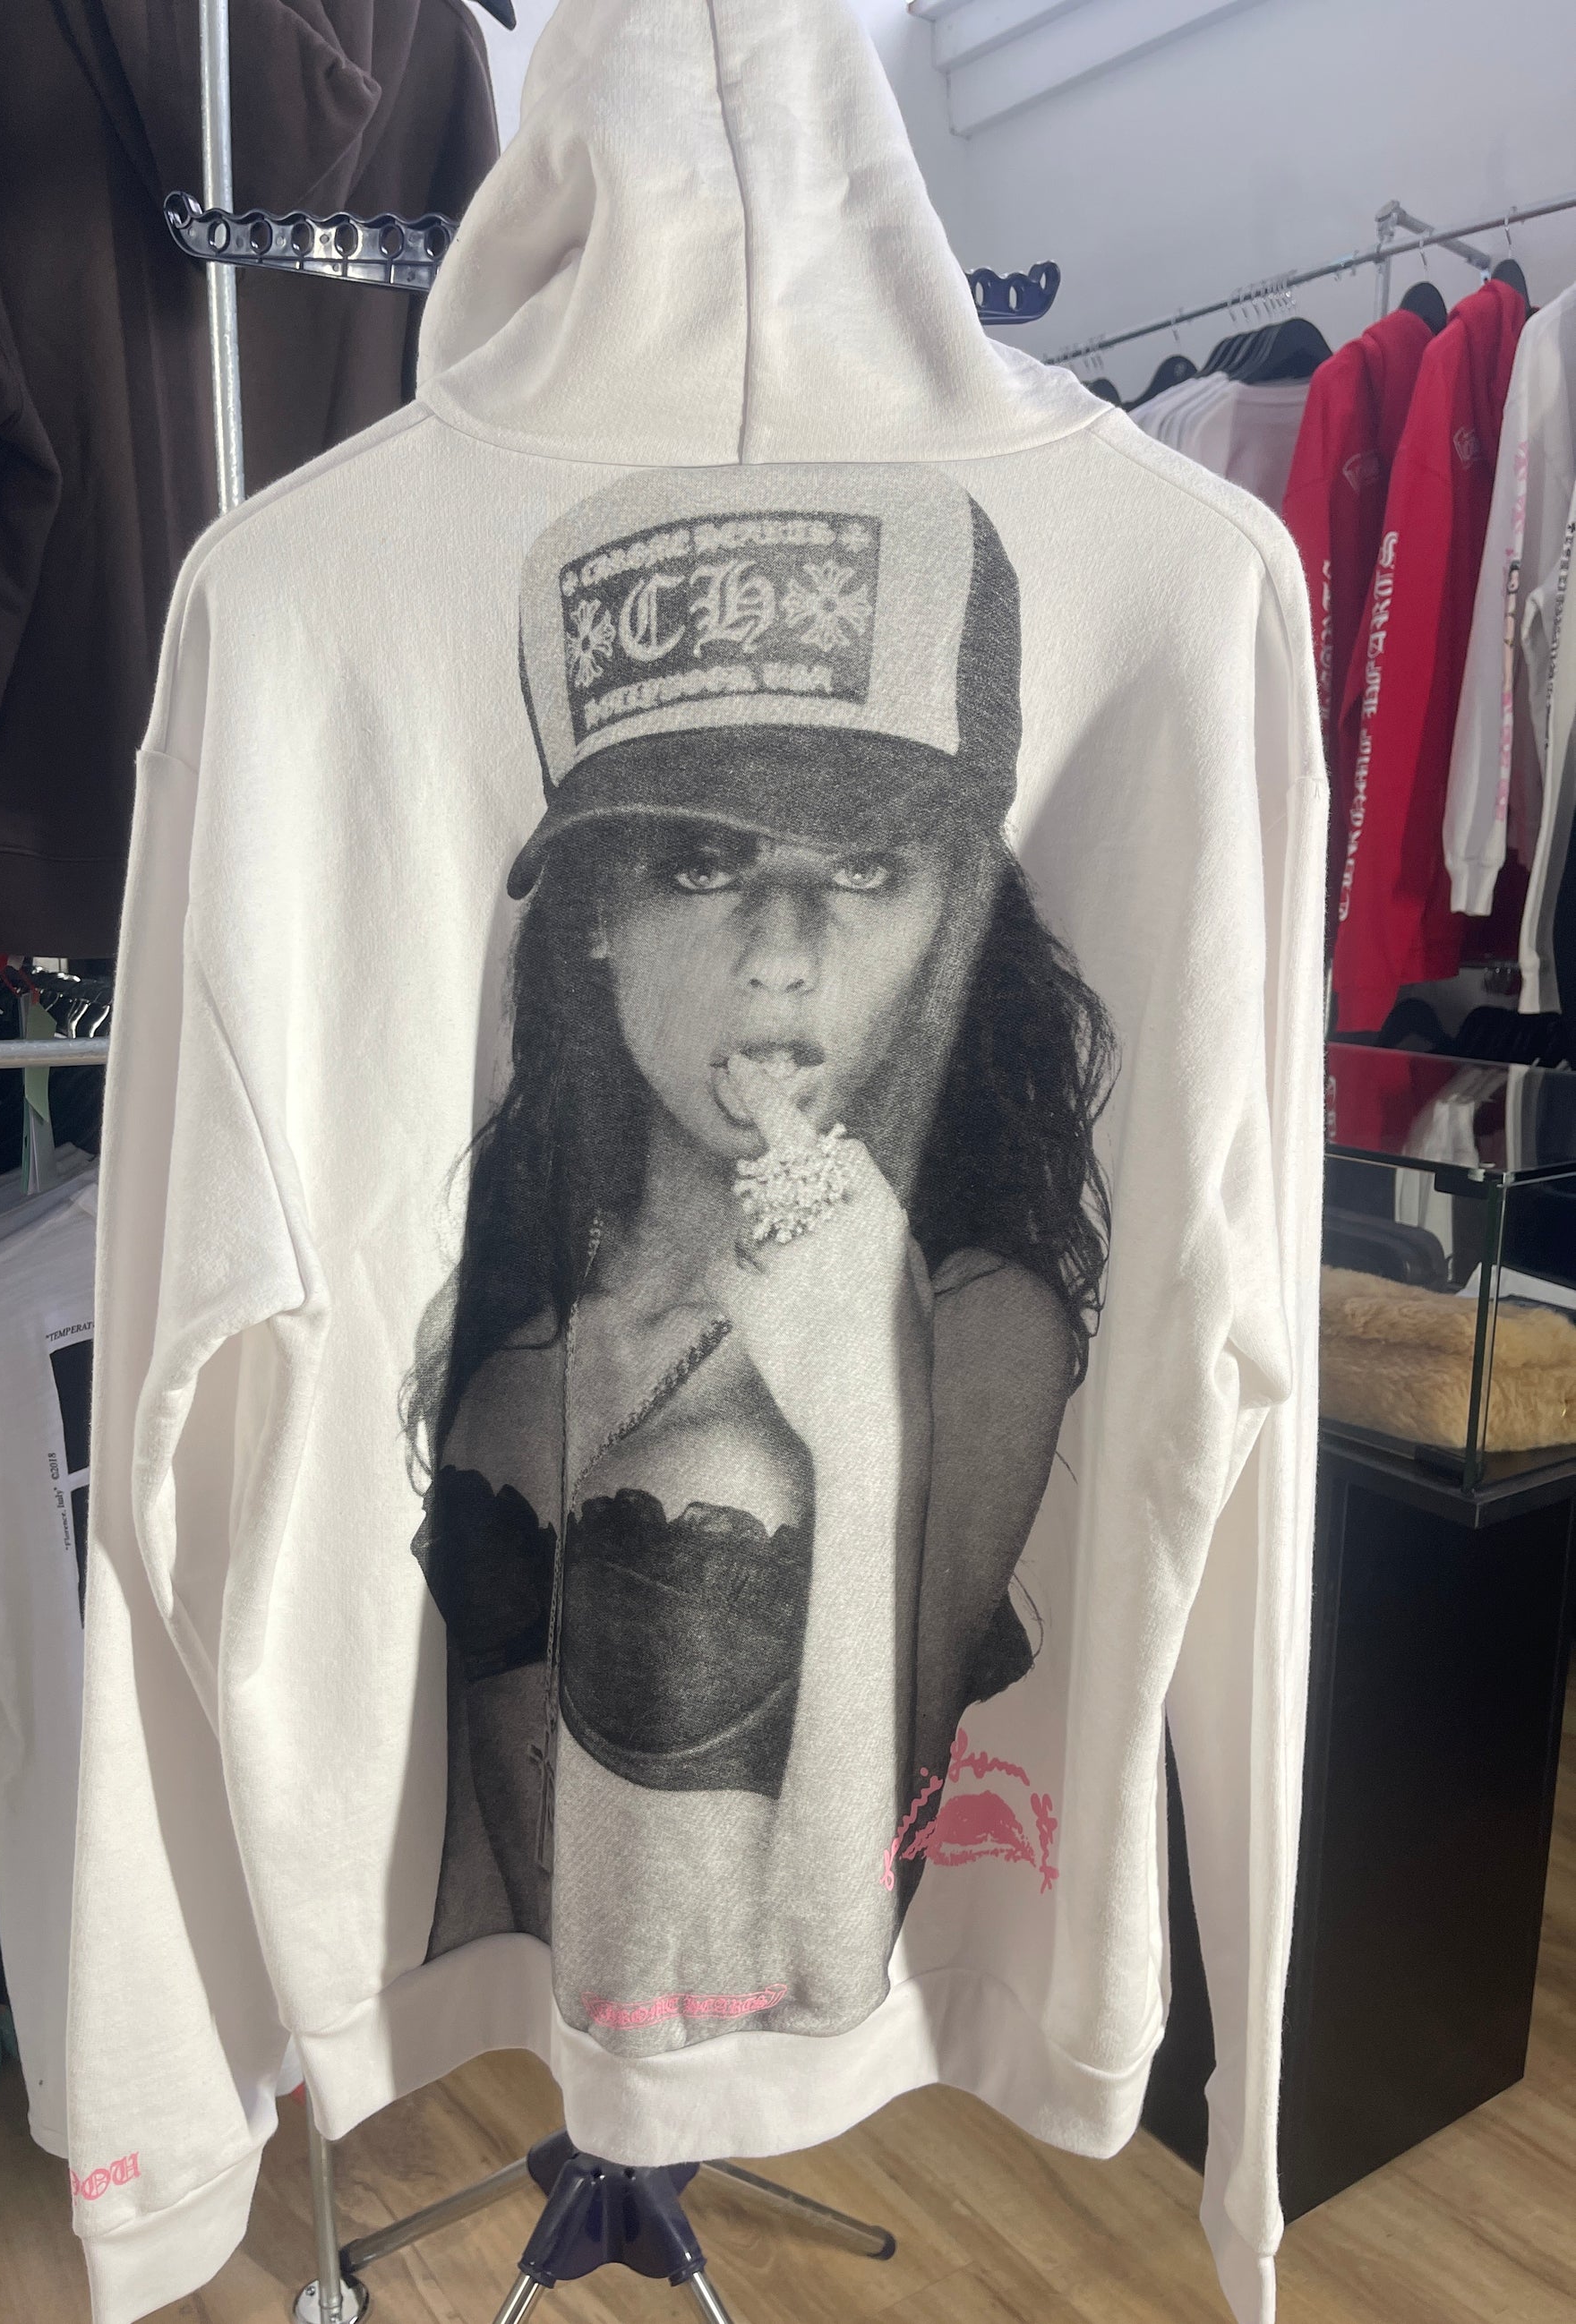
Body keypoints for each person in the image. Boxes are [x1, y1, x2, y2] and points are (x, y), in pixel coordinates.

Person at [405, 465, 1114, 2054]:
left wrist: (855, 1412)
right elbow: (460, 1829)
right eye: (701, 864)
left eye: (861, 871)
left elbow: (847, 1938)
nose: (782, 957)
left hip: (743, 2058)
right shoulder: (510, 1292)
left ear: (949, 920)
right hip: (504, 2055)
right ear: (596, 911)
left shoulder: (968, 1316)